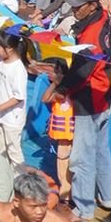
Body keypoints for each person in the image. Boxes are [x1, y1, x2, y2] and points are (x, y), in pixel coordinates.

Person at [54, 0, 111, 221]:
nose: (75, 11)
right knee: (101, 149)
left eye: (79, 7)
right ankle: (107, 197)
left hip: (89, 100)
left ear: (91, 6)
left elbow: (82, 73)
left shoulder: (91, 36)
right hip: (105, 95)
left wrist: (61, 89)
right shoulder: (102, 20)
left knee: (81, 156)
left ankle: (83, 207)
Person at [0, 28, 29, 164]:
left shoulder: (18, 69)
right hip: (0, 117)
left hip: (12, 118)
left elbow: (18, 97)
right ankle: (1, 177)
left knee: (13, 151)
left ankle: (19, 180)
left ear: (9, 49)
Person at [41, 61, 75, 201]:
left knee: (67, 163)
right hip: (64, 135)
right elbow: (44, 99)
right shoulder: (58, 92)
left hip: (71, 133)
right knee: (63, 163)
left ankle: (68, 193)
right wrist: (54, 84)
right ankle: (67, 191)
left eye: (59, 72)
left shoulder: (71, 92)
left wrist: (58, 84)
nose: (57, 75)